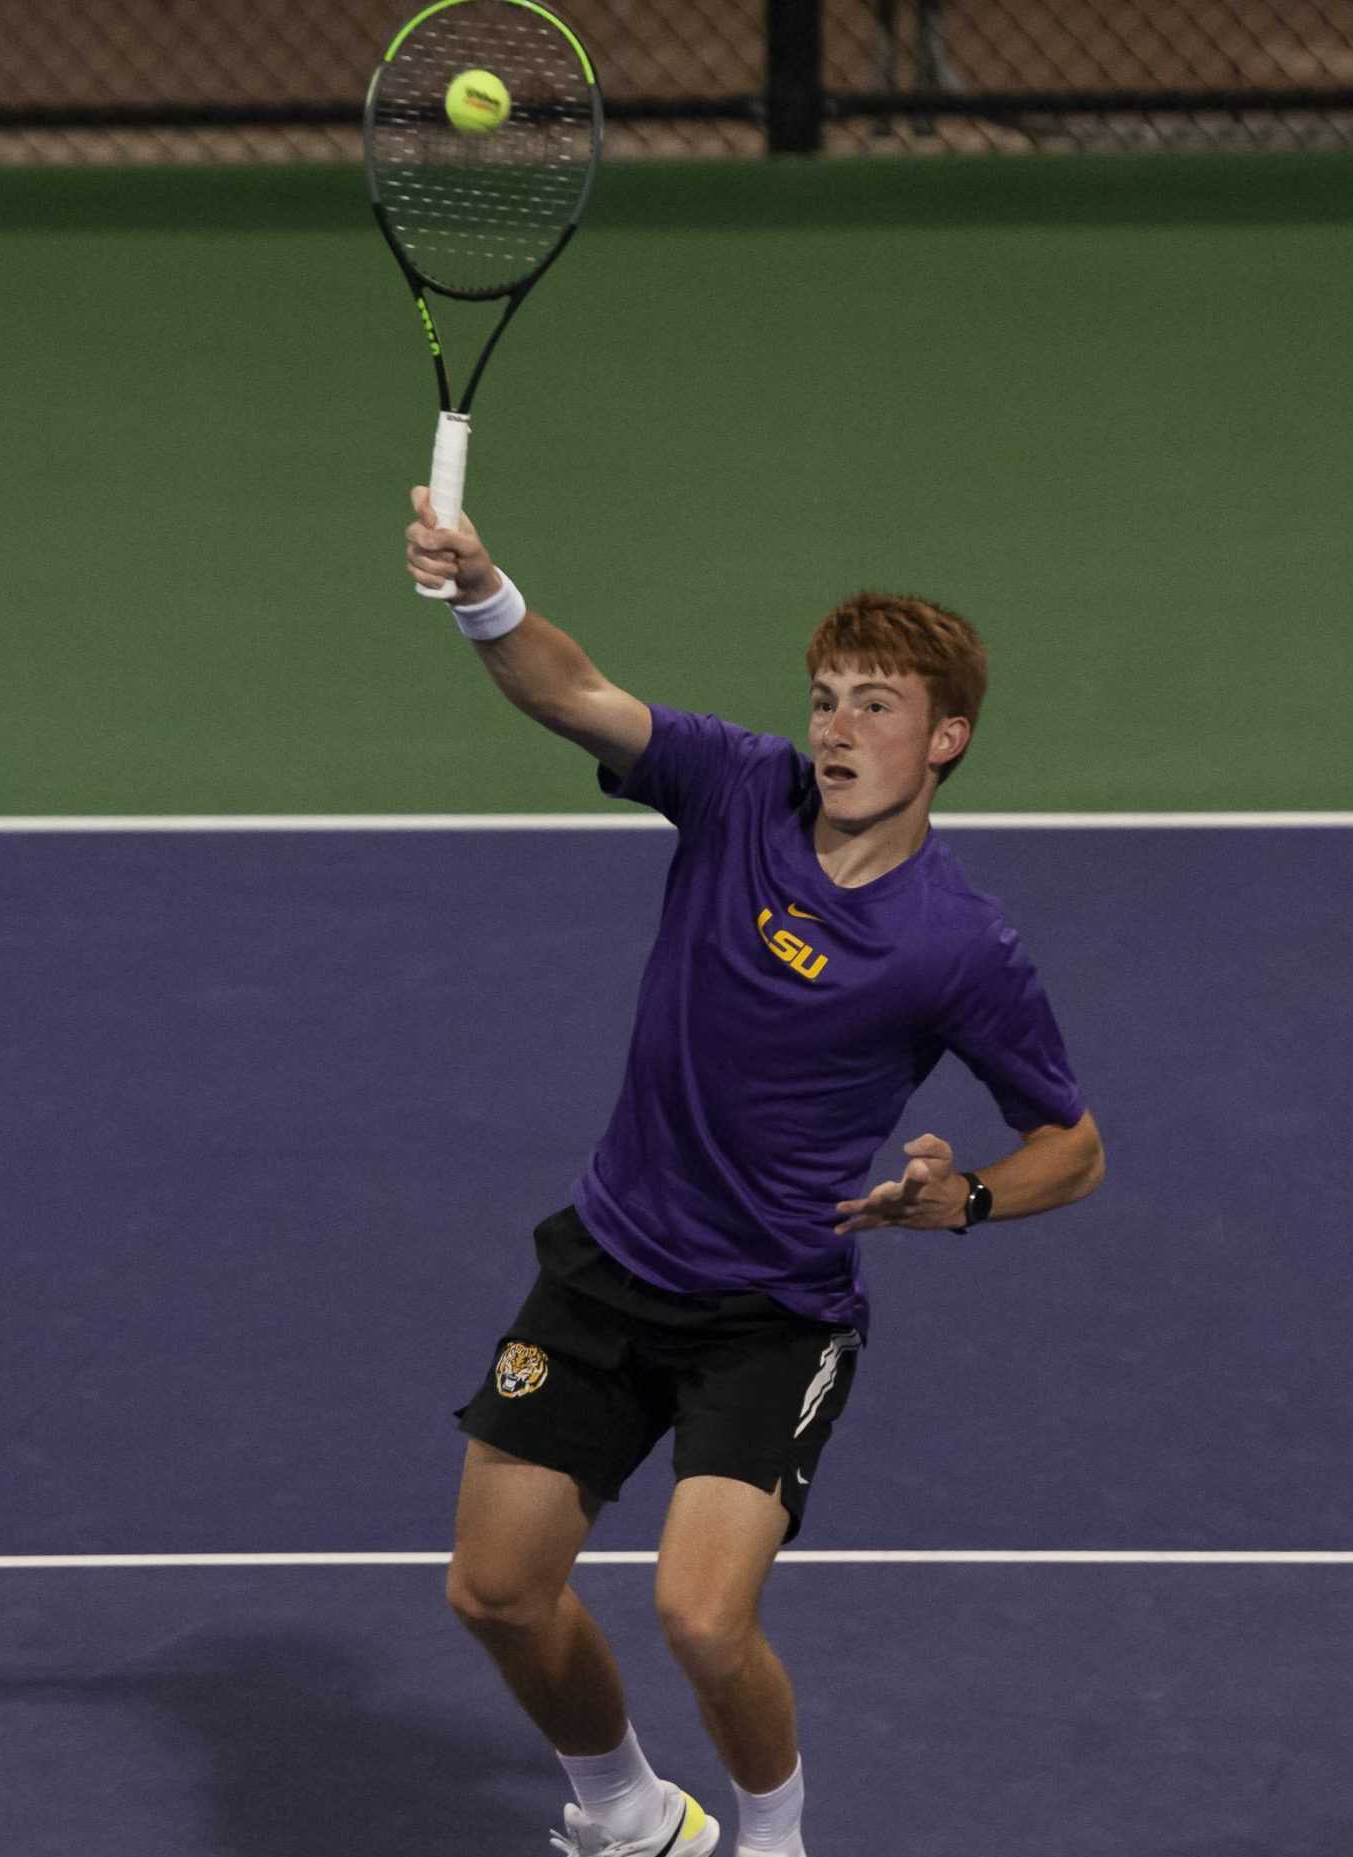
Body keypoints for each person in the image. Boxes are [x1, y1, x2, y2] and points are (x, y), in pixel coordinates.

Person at [403, 488, 1106, 1856]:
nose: (838, 727)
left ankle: (773, 1840)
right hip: (609, 1265)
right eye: (827, 698)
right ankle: (626, 1811)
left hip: (771, 1316)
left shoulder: (956, 944)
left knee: (703, 1617)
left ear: (945, 739)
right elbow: (578, 693)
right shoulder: (738, 789)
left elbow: (1072, 1146)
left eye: (878, 705)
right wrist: (484, 588)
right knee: (494, 1591)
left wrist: (956, 1197)